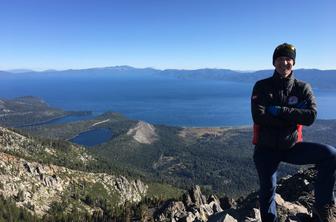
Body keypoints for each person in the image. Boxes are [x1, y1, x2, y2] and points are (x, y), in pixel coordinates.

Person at [251, 43, 336, 222]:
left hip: (291, 146)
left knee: (330, 154)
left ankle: (322, 206)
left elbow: (311, 116)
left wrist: (281, 111)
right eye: (280, 59)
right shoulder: (262, 86)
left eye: (288, 59)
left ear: (294, 62)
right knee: (268, 190)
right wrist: (296, 114)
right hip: (265, 149)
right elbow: (259, 117)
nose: (284, 63)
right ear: (274, 62)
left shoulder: (302, 87)